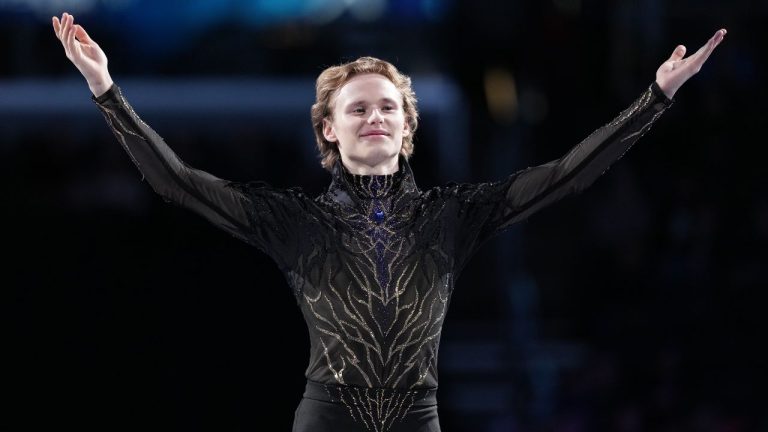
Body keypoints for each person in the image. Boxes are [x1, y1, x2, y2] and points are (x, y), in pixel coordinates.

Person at [52, 12, 726, 432]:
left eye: (387, 108)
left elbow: (567, 175)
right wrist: (106, 90)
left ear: (407, 128)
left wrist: (655, 97)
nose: (374, 116)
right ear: (328, 129)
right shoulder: (294, 221)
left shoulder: (454, 215)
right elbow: (176, 182)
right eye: (357, 109)